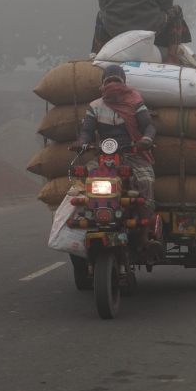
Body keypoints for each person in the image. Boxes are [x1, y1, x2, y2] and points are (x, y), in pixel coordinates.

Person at [70, 65, 163, 260]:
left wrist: (146, 140)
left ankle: (144, 239)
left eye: (116, 81)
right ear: (102, 85)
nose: (113, 86)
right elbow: (87, 131)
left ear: (124, 83)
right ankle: (89, 218)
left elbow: (148, 126)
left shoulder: (135, 101)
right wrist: (82, 143)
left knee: (146, 181)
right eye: (108, 82)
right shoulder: (95, 105)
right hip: (104, 157)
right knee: (83, 179)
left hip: (133, 155)